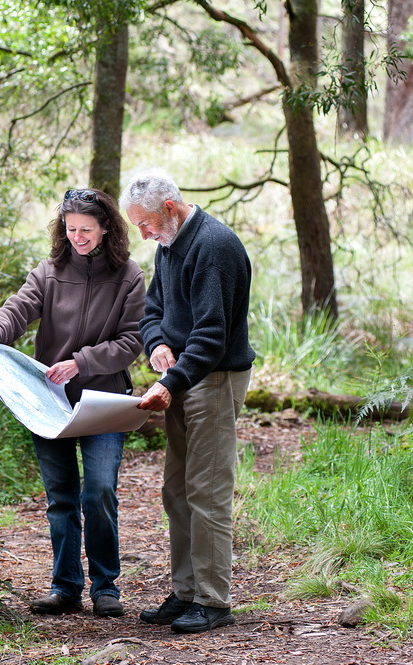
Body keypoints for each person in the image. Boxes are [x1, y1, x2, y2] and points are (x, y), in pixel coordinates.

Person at [0, 188, 146, 617]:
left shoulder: (129, 276)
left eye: (86, 229)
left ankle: (106, 588)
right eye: (71, 229)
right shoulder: (49, 271)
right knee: (61, 498)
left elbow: (133, 340)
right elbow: (20, 305)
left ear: (107, 228)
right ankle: (66, 587)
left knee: (100, 491)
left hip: (104, 400)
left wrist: (80, 362)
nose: (78, 237)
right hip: (47, 402)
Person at [120, 168, 254, 634]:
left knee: (207, 491)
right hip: (180, 378)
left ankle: (214, 601)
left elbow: (212, 335)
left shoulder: (213, 247)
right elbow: (153, 309)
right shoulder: (169, 244)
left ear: (171, 209)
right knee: (175, 491)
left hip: (213, 380)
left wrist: (171, 381)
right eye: (138, 225)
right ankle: (186, 592)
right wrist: (156, 342)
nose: (144, 233)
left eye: (146, 224)